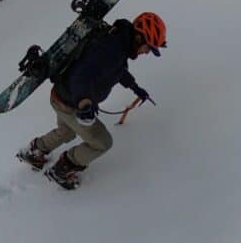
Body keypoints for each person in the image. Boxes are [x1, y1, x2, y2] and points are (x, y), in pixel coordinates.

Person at [17, 12, 166, 189]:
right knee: (102, 143)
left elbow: (116, 71)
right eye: (148, 48)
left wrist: (135, 87)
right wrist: (84, 103)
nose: (147, 53)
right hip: (72, 104)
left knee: (66, 131)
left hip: (59, 96)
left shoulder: (117, 42)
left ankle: (35, 151)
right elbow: (81, 76)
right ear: (139, 38)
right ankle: (63, 169)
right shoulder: (112, 50)